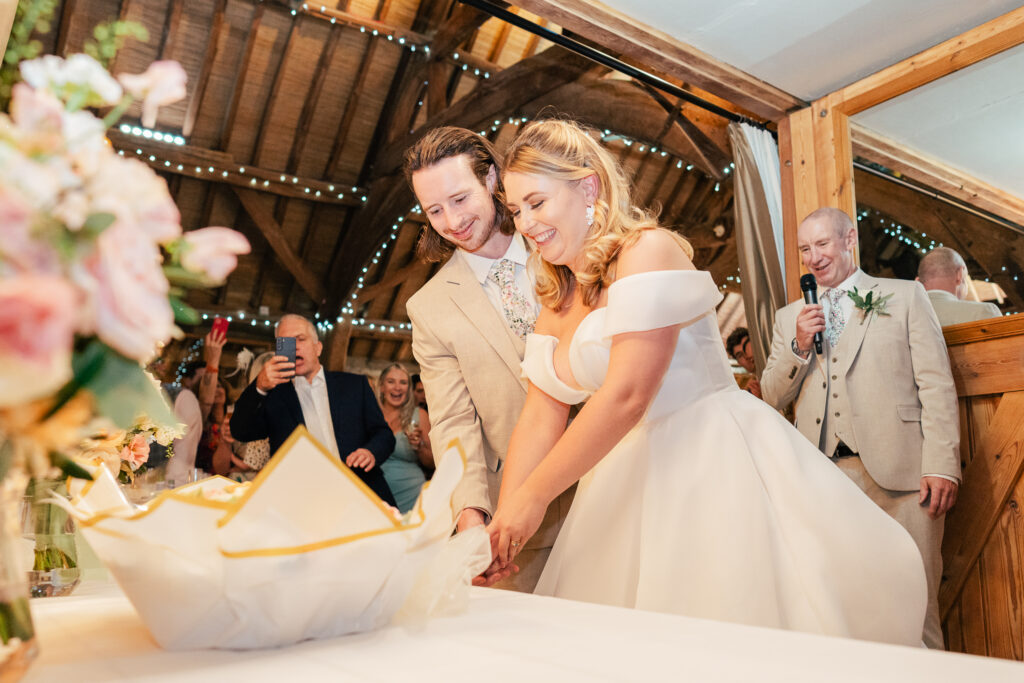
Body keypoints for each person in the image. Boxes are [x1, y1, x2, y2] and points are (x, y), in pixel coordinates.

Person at [485, 119, 927, 645]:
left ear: (588, 186)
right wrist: (504, 525)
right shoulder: (555, 296)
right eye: (515, 211)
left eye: (536, 202)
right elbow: (542, 412)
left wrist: (535, 497)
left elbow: (628, 394)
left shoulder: (647, 251)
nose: (526, 223)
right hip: (621, 475)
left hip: (709, 457)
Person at [761, 207, 960, 649]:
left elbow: (936, 383)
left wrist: (942, 465)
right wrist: (799, 345)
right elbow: (772, 395)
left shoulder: (905, 295)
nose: (813, 258)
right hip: (824, 481)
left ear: (849, 238)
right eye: (805, 249)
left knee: (917, 607)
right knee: (842, 610)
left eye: (823, 244)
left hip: (904, 479)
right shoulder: (788, 317)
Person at [404, 126, 575, 590]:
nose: (451, 221)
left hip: (620, 479)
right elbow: (453, 421)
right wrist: (470, 520)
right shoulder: (429, 307)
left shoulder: (565, 248)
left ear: (492, 180)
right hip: (521, 526)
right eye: (433, 210)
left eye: (459, 199)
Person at [231, 314, 397, 506]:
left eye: (300, 339)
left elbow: (383, 434)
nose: (294, 347)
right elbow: (240, 431)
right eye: (286, 342)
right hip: (304, 501)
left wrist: (371, 452)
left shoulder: (354, 385)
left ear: (318, 348)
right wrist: (259, 387)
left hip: (360, 489)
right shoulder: (274, 395)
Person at [376, 363, 433, 513]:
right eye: (391, 382)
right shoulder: (371, 415)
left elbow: (432, 462)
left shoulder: (419, 415)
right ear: (381, 386)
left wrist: (419, 446)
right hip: (375, 498)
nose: (397, 387)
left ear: (408, 389)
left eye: (403, 382)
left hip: (411, 497)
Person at [917, 246, 1000, 326]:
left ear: (917, 281)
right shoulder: (984, 313)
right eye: (965, 279)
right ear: (959, 274)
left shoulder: (906, 316)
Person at [725, 327, 761, 398]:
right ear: (739, 363)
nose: (747, 356)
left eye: (748, 348)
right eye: (740, 355)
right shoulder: (751, 393)